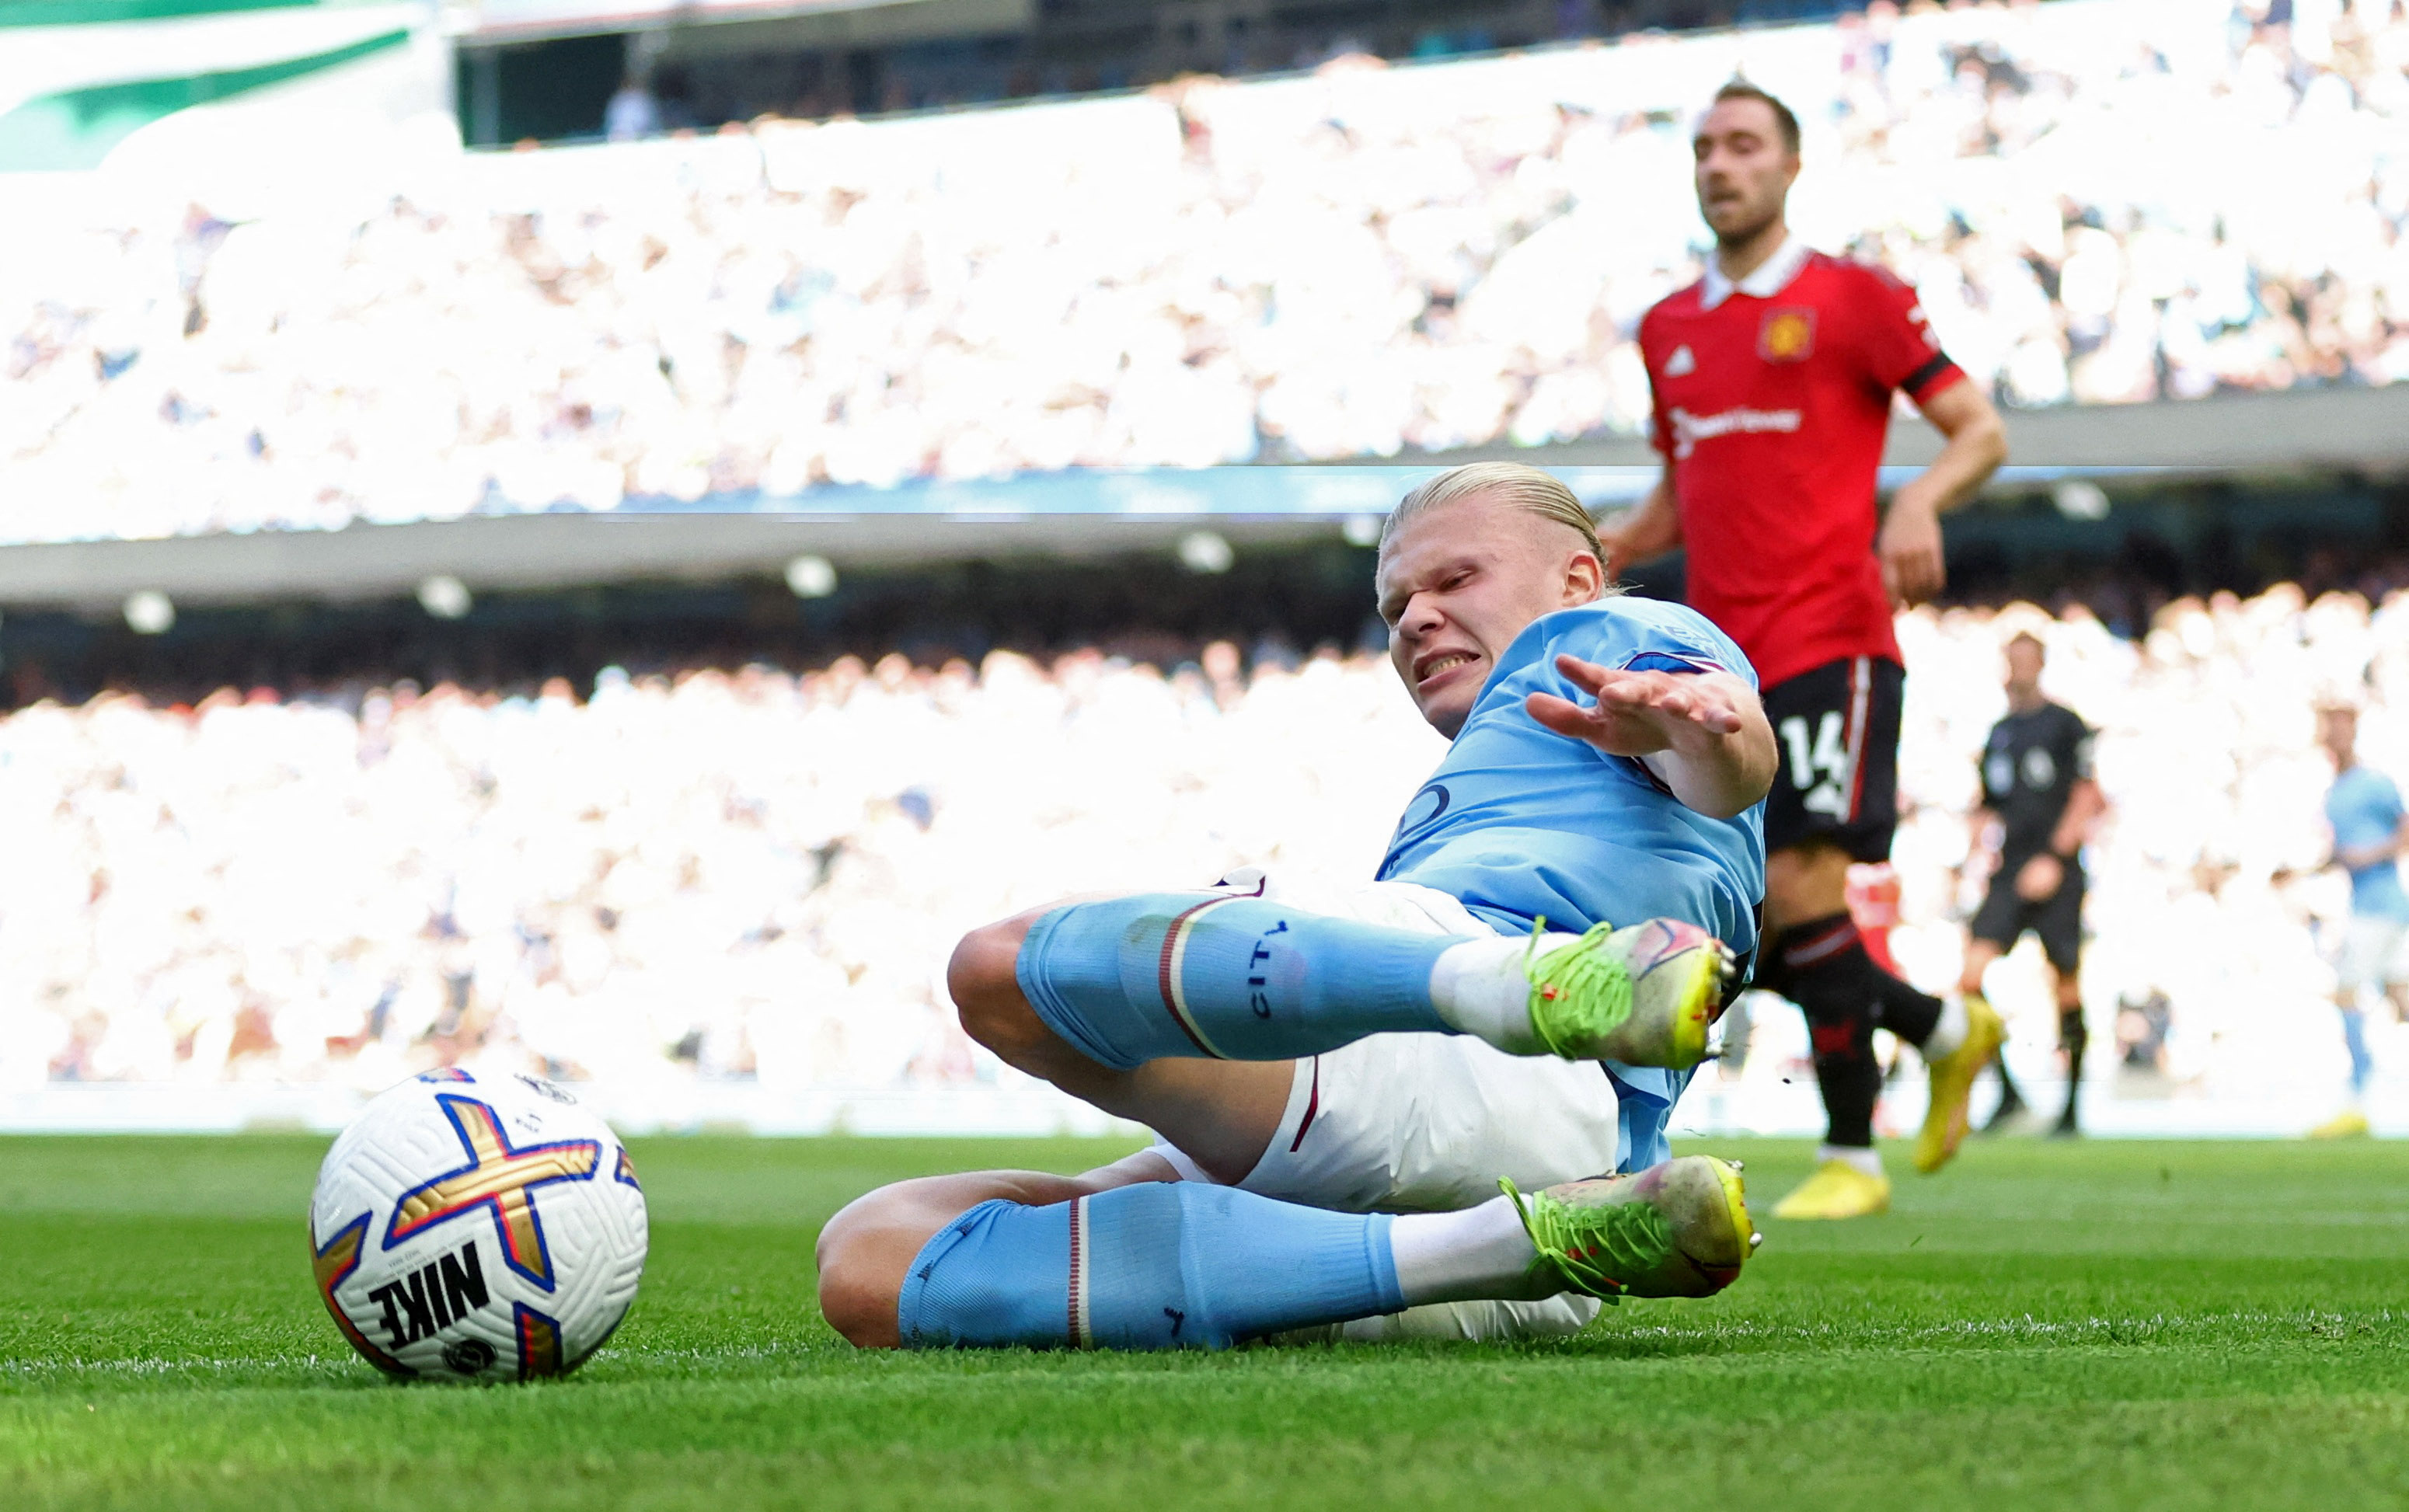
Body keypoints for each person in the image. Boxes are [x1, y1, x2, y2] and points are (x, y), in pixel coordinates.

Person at [814, 462, 1774, 1350]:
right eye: (1398, 604)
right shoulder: (1487, 781)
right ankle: (1529, 1236)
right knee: (874, 1258)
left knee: (1004, 971)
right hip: (1512, 1215)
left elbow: (1727, 755)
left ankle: (1519, 988)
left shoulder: (1601, 646)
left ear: (1574, 580)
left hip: (1503, 1057)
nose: (1415, 618)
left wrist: (1707, 733)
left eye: (1454, 579)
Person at [1602, 79, 2010, 1220]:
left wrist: (1919, 502)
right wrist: (1616, 541)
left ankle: (1854, 1159)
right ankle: (1941, 1026)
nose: (1721, 165)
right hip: (1716, 659)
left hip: (1834, 634)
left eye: (1743, 146)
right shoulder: (1669, 330)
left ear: (1789, 168)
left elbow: (1981, 428)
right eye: (1705, 147)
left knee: (1799, 883)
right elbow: (1684, 491)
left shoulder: (1857, 300)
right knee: (1750, 927)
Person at [1958, 631, 2103, 1138]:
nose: (2018, 668)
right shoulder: (1999, 733)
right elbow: (1987, 804)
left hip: (2055, 868)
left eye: (2026, 660)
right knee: (1970, 976)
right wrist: (1973, 851)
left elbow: (2087, 795)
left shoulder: (2064, 725)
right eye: (2011, 659)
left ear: (2039, 665)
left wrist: (2055, 857)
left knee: (2064, 982)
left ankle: (2071, 1108)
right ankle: (2008, 1092)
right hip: (2010, 867)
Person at [2310, 701, 2409, 1139]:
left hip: (2381, 906)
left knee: (2348, 994)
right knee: (2398, 995)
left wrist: (2369, 856)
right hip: (2368, 906)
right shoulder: (2334, 791)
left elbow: (2404, 831)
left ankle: (2357, 1095)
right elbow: (2341, 852)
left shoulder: (2374, 784)